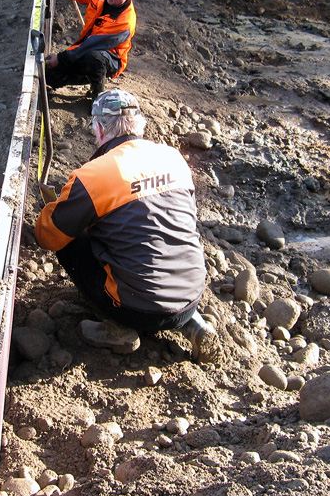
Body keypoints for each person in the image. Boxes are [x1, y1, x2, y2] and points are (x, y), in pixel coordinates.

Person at [34, 89, 221, 363]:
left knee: (69, 237)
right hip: (191, 295)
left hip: (134, 308)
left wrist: (52, 211)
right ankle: (193, 324)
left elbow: (49, 236)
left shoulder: (93, 175)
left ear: (98, 127)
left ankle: (117, 326)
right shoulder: (174, 158)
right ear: (139, 123)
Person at [44, 0, 136, 97]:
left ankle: (97, 94)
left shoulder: (124, 22)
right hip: (86, 48)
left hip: (110, 58)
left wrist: (60, 58)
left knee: (94, 58)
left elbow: (91, 45)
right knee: (50, 76)